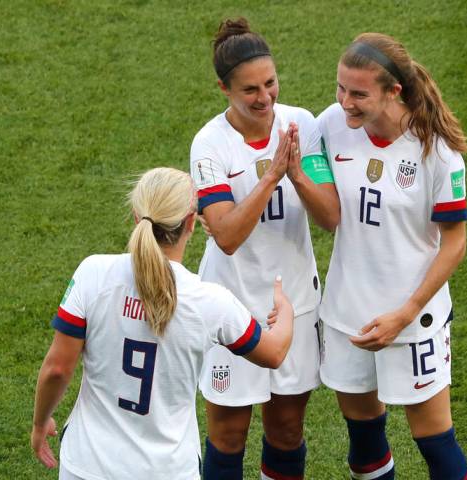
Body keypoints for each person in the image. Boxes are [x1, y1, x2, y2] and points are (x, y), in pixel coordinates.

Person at [30, 167, 294, 480]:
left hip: (88, 465)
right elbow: (274, 353)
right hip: (168, 470)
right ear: (191, 223)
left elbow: (57, 369)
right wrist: (286, 312)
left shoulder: (93, 274)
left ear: (135, 216)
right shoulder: (209, 301)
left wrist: (39, 422)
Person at [317, 33, 467, 480]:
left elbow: (454, 244)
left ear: (393, 92)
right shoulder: (330, 125)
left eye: (359, 93)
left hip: (413, 318)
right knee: (363, 440)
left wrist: (404, 314)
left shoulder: (438, 155)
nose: (346, 101)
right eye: (341, 88)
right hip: (348, 314)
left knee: (435, 441)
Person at [190, 18, 339, 480]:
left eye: (270, 83)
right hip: (230, 300)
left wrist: (296, 174)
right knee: (229, 434)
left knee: (288, 429)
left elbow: (330, 217)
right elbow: (227, 236)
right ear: (224, 88)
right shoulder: (210, 144)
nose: (265, 98)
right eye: (250, 89)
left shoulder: (303, 125)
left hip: (295, 300)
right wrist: (272, 174)